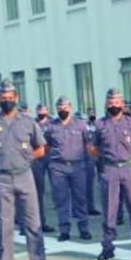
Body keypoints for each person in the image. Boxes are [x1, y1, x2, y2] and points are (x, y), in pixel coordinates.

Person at [0, 80, 52, 260]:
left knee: (32, 222)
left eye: (10, 98)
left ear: (16, 98)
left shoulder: (28, 121)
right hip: (1, 178)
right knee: (4, 223)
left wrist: (24, 159)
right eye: (3, 98)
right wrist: (0, 160)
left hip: (24, 175)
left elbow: (41, 149)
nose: (7, 101)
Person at [89, 88, 131, 260]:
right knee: (110, 209)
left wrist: (129, 160)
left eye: (117, 102)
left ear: (122, 104)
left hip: (129, 168)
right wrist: (106, 160)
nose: (114, 105)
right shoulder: (100, 124)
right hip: (110, 169)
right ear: (106, 104)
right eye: (111, 102)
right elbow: (91, 148)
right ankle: (107, 246)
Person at [45, 96, 93, 241]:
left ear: (70, 108)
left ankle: (83, 228)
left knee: (80, 198)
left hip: (78, 166)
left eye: (65, 108)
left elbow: (89, 144)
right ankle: (64, 230)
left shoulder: (81, 125)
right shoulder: (51, 126)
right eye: (60, 108)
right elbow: (46, 146)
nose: (62, 110)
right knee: (61, 199)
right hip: (58, 167)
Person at [32, 104, 55, 233]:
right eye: (39, 110)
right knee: (37, 191)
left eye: (43, 110)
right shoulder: (32, 123)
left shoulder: (52, 123)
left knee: (57, 186)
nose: (41, 112)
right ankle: (38, 222)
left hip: (50, 157)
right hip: (37, 159)